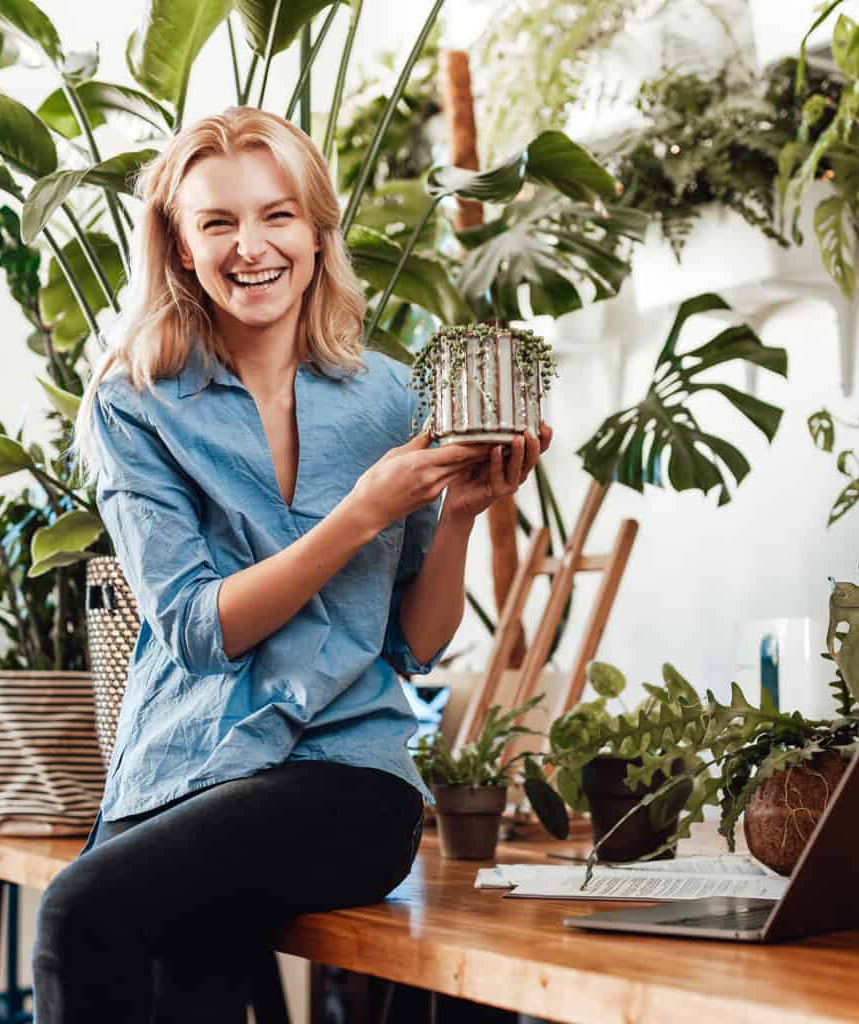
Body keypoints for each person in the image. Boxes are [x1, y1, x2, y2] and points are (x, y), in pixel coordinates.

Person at [32, 106, 550, 1023]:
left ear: (315, 231)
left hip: (347, 774)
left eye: (277, 215)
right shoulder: (134, 405)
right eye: (217, 222)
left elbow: (416, 644)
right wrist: (361, 514)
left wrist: (460, 516)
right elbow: (198, 630)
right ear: (181, 248)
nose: (251, 246)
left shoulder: (389, 397)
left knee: (80, 910)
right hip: (187, 765)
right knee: (193, 963)